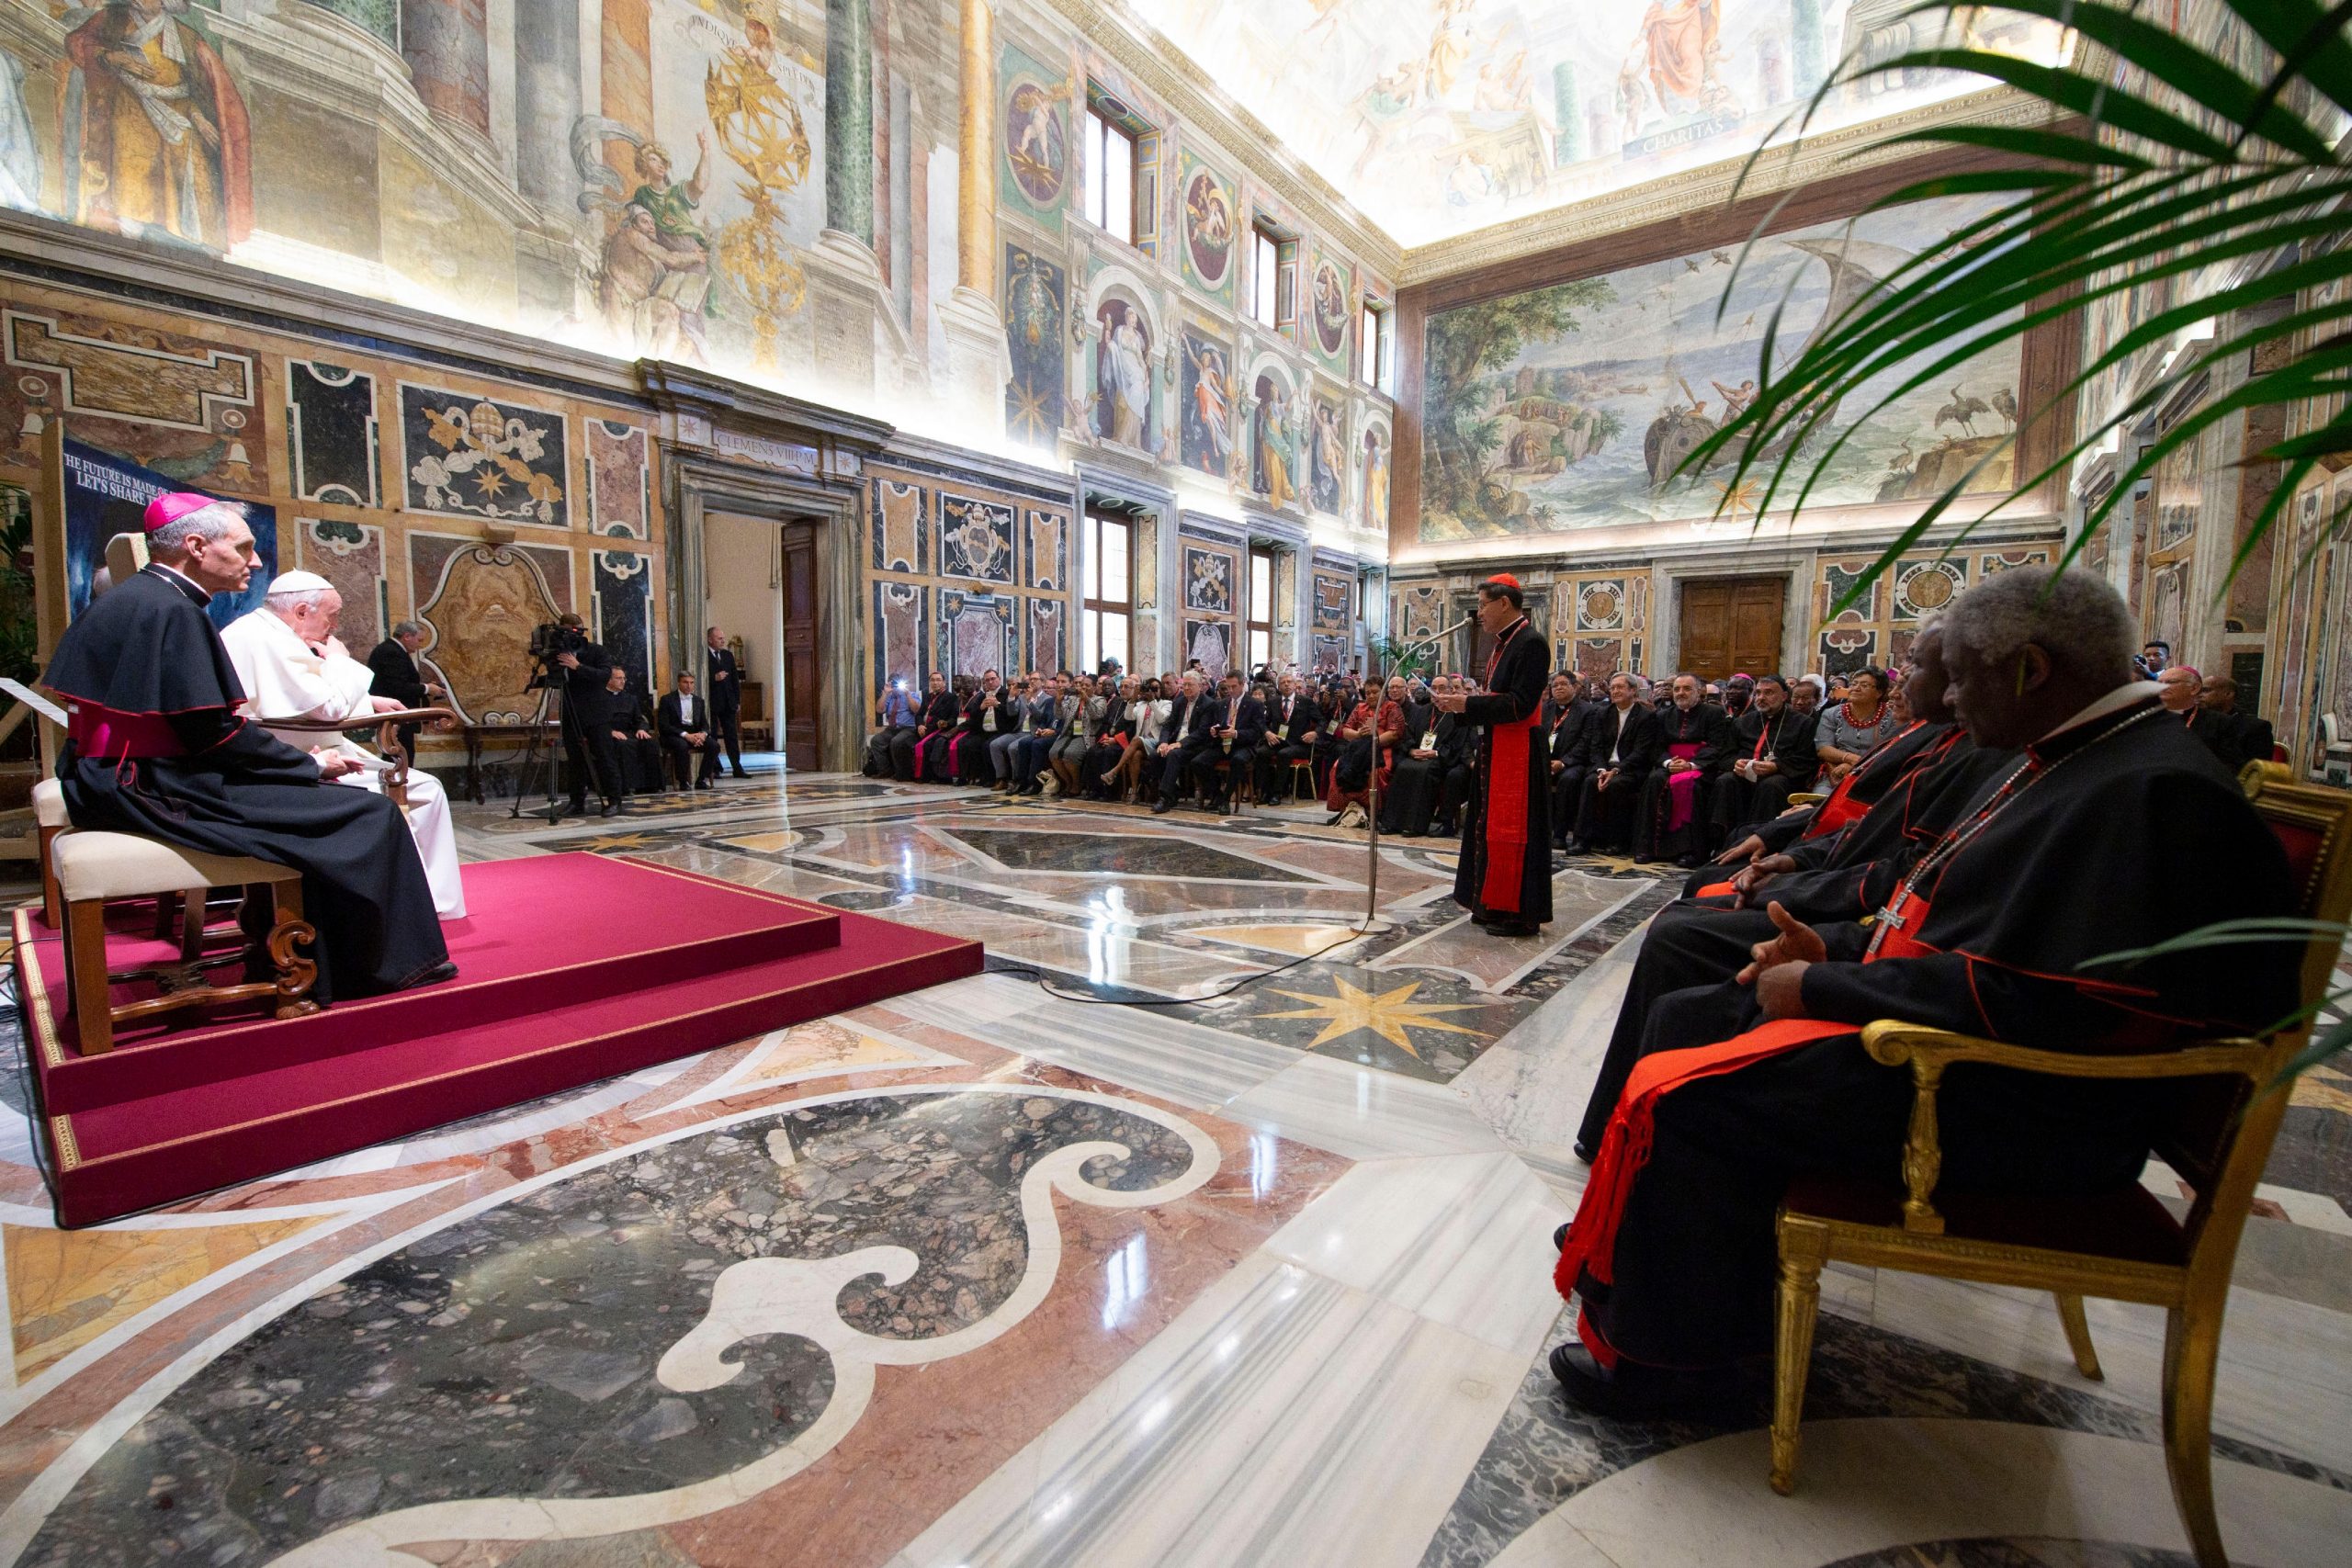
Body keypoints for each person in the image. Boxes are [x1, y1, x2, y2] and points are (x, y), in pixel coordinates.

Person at [1549, 568, 2300, 1418]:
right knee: (1694, 1010)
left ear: (2030, 670)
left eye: (1968, 677)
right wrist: (1828, 949)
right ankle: (1673, 1293)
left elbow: (2037, 999)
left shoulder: (2151, 791)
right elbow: (1955, 917)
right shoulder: (2085, 759)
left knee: (1694, 1085)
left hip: (2032, 1101)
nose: (1953, 703)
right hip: (1988, 1053)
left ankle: (1681, 1369)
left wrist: (1828, 984)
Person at [44, 492, 451, 1003]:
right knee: (369, 814)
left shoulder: (135, 599)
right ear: (196, 546)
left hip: (117, 774)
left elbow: (197, 728)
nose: (255, 562)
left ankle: (285, 945)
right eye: (243, 548)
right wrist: (308, 765)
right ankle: (362, 969)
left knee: (334, 805)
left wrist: (294, 768)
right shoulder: (174, 612)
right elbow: (214, 734)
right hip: (150, 783)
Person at [220, 571, 467, 919]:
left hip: (302, 750)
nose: (335, 626)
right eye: (332, 615)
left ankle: (423, 901)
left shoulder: (265, 632)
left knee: (425, 787)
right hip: (293, 764)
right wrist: (339, 658)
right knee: (425, 789)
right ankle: (421, 906)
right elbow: (326, 709)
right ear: (303, 610)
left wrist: (370, 701)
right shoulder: (264, 640)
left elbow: (308, 697)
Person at [1434, 575, 1553, 936]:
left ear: (1504, 603)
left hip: (1519, 752)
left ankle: (1517, 914)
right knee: (1487, 828)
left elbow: (1521, 703)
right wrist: (1466, 706)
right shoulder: (1504, 644)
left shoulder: (1530, 643)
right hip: (1497, 747)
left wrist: (1467, 703)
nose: (1479, 612)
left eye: (1484, 604)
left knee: (1513, 832)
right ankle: (1490, 905)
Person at [1634, 673, 1729, 867]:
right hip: (1671, 765)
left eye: (1686, 689)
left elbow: (1717, 746)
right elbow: (1655, 747)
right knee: (1654, 780)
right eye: (1677, 689)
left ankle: (1690, 851)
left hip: (1701, 767)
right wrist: (1668, 763)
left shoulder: (1714, 713)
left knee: (1691, 785)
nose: (1681, 693)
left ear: (1699, 691)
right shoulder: (1662, 715)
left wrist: (1691, 765)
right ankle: (1648, 847)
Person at [1708, 673, 1816, 842]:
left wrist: (1777, 766)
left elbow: (1806, 759)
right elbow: (1725, 755)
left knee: (1771, 785)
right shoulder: (1742, 722)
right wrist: (1735, 764)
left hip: (1782, 778)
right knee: (1725, 781)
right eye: (1758, 693)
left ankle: (1761, 840)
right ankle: (1720, 841)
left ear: (1784, 696)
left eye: (1769, 693)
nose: (1761, 698)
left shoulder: (1803, 723)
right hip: (1744, 776)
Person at [1567, 672, 1666, 856]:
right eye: (1612, 688)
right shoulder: (1602, 713)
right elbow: (1595, 746)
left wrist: (1617, 770)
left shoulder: (1645, 716)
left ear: (1633, 691)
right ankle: (1582, 840)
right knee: (1589, 783)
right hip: (1603, 766)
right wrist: (1602, 769)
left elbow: (1641, 752)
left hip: (1631, 769)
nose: (1614, 691)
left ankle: (1616, 841)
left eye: (1620, 687)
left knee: (1617, 786)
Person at [1381, 676, 1473, 836]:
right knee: (1402, 767)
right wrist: (1411, 751)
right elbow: (1408, 736)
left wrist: (1436, 753)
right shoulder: (1423, 711)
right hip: (1418, 755)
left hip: (1440, 759)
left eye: (1442, 688)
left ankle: (1415, 826)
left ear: (1451, 690)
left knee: (1424, 771)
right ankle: (1392, 823)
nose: (1436, 692)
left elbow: (1457, 745)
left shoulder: (1458, 714)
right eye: (1434, 688)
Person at [551, 614, 615, 816]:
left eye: (573, 631)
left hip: (596, 713)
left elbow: (604, 675)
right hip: (571, 712)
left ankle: (614, 799)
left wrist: (577, 666)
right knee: (575, 760)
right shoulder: (559, 653)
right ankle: (576, 801)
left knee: (604, 757)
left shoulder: (597, 651)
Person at [365, 620, 446, 769]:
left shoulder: (392, 650)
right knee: (399, 760)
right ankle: (397, 791)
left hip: (397, 718)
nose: (420, 645)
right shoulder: (392, 652)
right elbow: (397, 687)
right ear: (407, 636)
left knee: (400, 757)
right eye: (419, 640)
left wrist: (427, 687)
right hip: (396, 718)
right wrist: (427, 688)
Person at [1325, 675, 1404, 824]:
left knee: (1376, 771)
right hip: (1357, 749)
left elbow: (1395, 733)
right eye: (1368, 693)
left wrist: (1373, 741)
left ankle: (1375, 812)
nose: (1371, 696)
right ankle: (1346, 809)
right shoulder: (1360, 707)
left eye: (1375, 692)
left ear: (1383, 692)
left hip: (1381, 749)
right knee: (1337, 768)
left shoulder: (1392, 707)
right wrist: (1358, 734)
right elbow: (1346, 730)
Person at [1190, 671, 1266, 812]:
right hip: (1223, 743)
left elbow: (1257, 732)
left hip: (1244, 745)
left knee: (1237, 760)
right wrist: (1215, 730)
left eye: (1234, 686)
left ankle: (1225, 800)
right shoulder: (1222, 704)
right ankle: (1217, 795)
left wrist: (1236, 733)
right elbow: (1218, 723)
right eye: (1228, 687)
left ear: (1242, 684)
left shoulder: (1254, 704)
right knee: (1197, 762)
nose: (1230, 690)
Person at [1813, 667, 1901, 779]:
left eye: (1864, 686)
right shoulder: (1831, 714)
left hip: (1875, 775)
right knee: (1822, 795)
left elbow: (1889, 751)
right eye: (1854, 684)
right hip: (1835, 773)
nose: (1856, 689)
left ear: (1879, 693)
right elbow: (1823, 748)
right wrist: (1848, 758)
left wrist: (1855, 766)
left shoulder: (1892, 717)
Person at [1542, 673, 1594, 851]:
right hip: (1546, 761)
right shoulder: (1545, 709)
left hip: (1573, 763)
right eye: (1555, 685)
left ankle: (1559, 834)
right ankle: (1538, 830)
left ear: (1574, 687)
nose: (1558, 688)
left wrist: (1563, 763)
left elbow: (1585, 743)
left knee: (1568, 780)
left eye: (1563, 684)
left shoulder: (1587, 711)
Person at [1150, 671, 1214, 813]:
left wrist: (1181, 744)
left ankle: (1165, 798)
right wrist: (1164, 742)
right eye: (1184, 684)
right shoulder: (1179, 702)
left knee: (1174, 755)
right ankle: (1173, 792)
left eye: (1190, 684)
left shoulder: (1208, 704)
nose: (1186, 688)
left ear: (1199, 686)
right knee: (1155, 755)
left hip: (1196, 745)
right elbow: (1168, 726)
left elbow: (1202, 732)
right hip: (1176, 742)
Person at [599, 664, 662, 801]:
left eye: (624, 678)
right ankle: (627, 786)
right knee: (623, 745)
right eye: (618, 678)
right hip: (608, 735)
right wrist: (610, 731)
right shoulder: (598, 698)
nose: (622, 681)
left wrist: (641, 729)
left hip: (630, 732)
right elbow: (595, 721)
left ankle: (651, 785)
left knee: (651, 743)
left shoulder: (630, 698)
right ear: (609, 680)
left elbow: (639, 719)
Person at [1258, 673, 1325, 802]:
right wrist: (1267, 733)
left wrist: (1315, 733)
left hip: (1299, 743)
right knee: (1261, 753)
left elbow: (1322, 721)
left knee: (1284, 754)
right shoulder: (1273, 702)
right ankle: (1266, 791)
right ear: (1279, 686)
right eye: (1283, 682)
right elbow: (1263, 723)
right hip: (1278, 740)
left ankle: (1278, 793)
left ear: (1295, 685)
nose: (1286, 684)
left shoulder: (1305, 702)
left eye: (1289, 682)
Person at [658, 671, 720, 789]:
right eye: (685, 682)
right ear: (679, 683)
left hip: (694, 733)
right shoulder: (667, 700)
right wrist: (685, 735)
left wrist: (703, 734)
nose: (689, 686)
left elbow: (705, 724)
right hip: (674, 734)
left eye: (692, 683)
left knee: (714, 746)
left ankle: (701, 779)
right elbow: (664, 725)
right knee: (682, 746)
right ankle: (683, 781)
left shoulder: (698, 701)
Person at [2199, 672, 2275, 767]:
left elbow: (2255, 771)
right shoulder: (2194, 722)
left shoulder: (2256, 728)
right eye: (2198, 691)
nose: (2199, 695)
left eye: (2206, 690)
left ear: (2228, 694)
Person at [704, 626, 745, 778]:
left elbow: (735, 679)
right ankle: (715, 768)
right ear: (710, 639)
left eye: (723, 638)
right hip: (713, 702)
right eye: (719, 638)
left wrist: (737, 700)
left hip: (728, 702)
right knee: (712, 735)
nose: (723, 641)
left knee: (732, 736)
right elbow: (700, 679)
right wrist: (714, 678)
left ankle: (737, 767)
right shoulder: (704, 655)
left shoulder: (728, 655)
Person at [865, 674, 920, 777]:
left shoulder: (912, 694)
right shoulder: (890, 697)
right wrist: (885, 694)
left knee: (896, 741)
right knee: (876, 740)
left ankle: (900, 772)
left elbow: (916, 710)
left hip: (908, 728)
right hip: (892, 729)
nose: (896, 686)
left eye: (898, 683)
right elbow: (879, 710)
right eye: (893, 683)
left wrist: (907, 695)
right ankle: (885, 770)